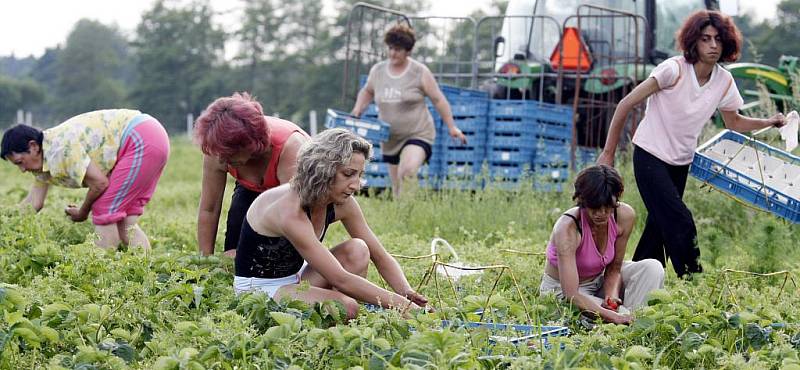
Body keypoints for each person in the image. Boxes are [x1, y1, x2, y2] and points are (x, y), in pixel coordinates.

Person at [597, 10, 785, 277]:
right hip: (650, 156)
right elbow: (626, 103)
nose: (713, 45)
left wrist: (768, 121)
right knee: (680, 220)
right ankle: (694, 281)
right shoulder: (673, 70)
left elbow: (734, 122)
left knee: (659, 228)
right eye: (706, 39)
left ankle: (635, 285)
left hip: (680, 163)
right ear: (693, 41)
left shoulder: (723, 80)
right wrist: (608, 153)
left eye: (718, 40)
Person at [233, 128, 428, 318]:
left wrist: (406, 292)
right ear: (323, 169)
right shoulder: (289, 209)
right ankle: (335, 313)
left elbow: (379, 255)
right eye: (348, 174)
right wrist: (402, 306)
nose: (356, 185)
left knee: (358, 249)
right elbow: (340, 278)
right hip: (260, 289)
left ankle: (332, 313)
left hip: (297, 277)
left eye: (359, 175)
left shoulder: (342, 202)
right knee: (346, 307)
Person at [1, 110, 170, 249]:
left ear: (33, 146)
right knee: (126, 223)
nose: (22, 170)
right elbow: (34, 202)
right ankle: (146, 275)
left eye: (20, 163)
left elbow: (100, 183)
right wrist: (6, 223)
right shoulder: (42, 161)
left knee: (104, 208)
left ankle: (103, 278)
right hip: (150, 135)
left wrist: (83, 211)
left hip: (140, 137)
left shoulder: (59, 149)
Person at [350, 23, 468, 197]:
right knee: (397, 187)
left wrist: (452, 126)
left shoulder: (419, 72)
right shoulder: (378, 71)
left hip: (418, 133)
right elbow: (367, 91)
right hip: (390, 138)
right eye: (390, 48)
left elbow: (438, 99)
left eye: (397, 49)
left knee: (407, 171)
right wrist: (357, 110)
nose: (392, 53)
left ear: (408, 51)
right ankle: (406, 216)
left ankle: (411, 209)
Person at [539, 165, 664, 324]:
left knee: (652, 268)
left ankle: (633, 319)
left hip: (598, 282)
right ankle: (630, 321)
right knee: (618, 316)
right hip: (565, 293)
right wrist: (615, 316)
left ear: (616, 200)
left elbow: (614, 268)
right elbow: (571, 294)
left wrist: (611, 295)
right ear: (583, 201)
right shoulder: (568, 228)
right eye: (595, 207)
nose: (601, 214)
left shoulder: (623, 216)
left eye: (607, 207)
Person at [194, 92, 310, 257]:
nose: (221, 158)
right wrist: (204, 262)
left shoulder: (291, 149)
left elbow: (294, 215)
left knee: (276, 256)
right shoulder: (216, 149)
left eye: (229, 153)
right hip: (250, 188)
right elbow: (209, 209)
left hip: (297, 197)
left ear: (249, 144)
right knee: (235, 249)